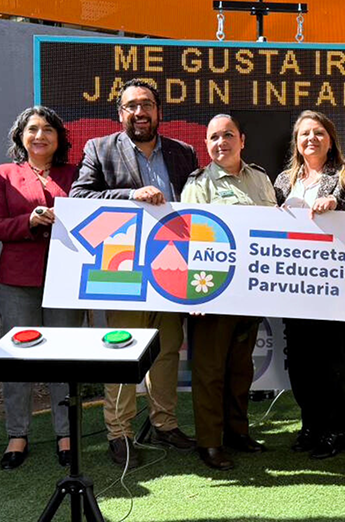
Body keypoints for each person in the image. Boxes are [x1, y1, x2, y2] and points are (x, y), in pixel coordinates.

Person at [70, 79, 199, 467]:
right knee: (124, 351)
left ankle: (164, 422)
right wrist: (130, 194)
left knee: (167, 350)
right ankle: (120, 433)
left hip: (172, 267)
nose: (139, 112)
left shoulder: (184, 152)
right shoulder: (100, 148)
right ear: (120, 113)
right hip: (122, 269)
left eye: (146, 104)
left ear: (159, 111)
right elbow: (80, 197)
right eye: (131, 106)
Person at [0, 106, 86, 470]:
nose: (40, 135)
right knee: (18, 359)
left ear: (59, 138)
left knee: (64, 359)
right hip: (16, 281)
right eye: (32, 129)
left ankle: (65, 433)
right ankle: (17, 434)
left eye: (48, 130)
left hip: (67, 279)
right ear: (20, 136)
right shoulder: (3, 174)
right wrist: (28, 221)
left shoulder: (75, 174)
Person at [181, 114, 279, 470]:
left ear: (242, 139)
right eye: (213, 138)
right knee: (209, 372)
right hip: (213, 293)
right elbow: (189, 240)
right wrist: (195, 296)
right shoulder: (199, 184)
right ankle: (210, 442)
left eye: (227, 136)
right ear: (206, 145)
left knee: (240, 369)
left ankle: (238, 432)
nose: (221, 143)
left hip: (250, 291)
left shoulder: (262, 179)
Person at [273, 110, 345, 460]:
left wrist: (337, 204)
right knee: (300, 363)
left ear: (330, 139)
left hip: (337, 291)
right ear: (296, 143)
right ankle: (310, 425)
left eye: (318, 133)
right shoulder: (284, 180)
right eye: (304, 134)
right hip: (297, 290)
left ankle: (334, 430)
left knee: (335, 363)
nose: (311, 139)